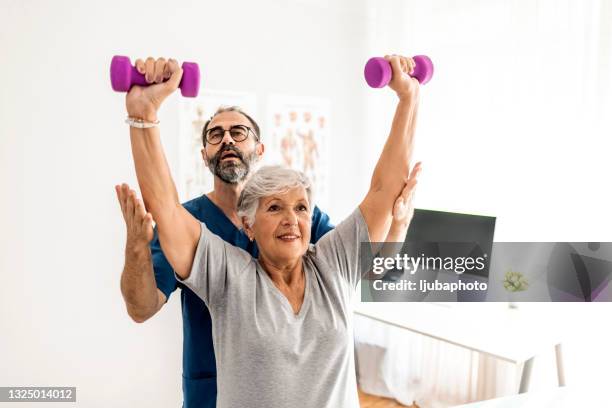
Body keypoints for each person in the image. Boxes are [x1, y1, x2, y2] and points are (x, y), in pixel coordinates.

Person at [119, 54, 421, 407]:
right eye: (274, 208)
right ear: (249, 224)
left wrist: (409, 98)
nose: (292, 219)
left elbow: (383, 194)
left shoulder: (331, 262)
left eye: (301, 208)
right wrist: (143, 116)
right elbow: (166, 211)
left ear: (258, 149)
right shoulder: (227, 273)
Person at [116, 61, 334, 408]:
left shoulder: (301, 216)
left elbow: (354, 267)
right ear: (205, 156)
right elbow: (141, 308)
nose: (227, 139)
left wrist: (396, 222)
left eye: (239, 132)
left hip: (290, 387)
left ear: (259, 150)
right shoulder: (185, 221)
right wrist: (136, 248)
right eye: (215, 135)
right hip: (211, 392)